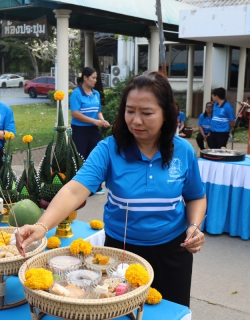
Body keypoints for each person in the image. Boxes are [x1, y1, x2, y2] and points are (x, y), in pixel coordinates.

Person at [17, 71, 207, 307]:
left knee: (169, 312)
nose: (136, 121)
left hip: (173, 251)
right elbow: (74, 191)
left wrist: (194, 227)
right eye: (130, 111)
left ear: (166, 114)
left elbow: (196, 196)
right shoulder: (109, 149)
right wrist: (42, 225)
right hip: (121, 252)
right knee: (120, 311)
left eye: (146, 113)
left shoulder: (183, 151)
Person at [69, 67, 110, 195]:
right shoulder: (76, 93)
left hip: (94, 130)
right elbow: (75, 113)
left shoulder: (96, 93)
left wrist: (102, 121)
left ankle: (96, 186)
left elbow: (98, 112)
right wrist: (94, 121)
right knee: (81, 157)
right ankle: (80, 188)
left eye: (96, 78)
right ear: (85, 78)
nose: (95, 80)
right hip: (80, 130)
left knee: (95, 157)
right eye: (93, 77)